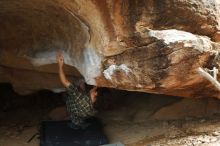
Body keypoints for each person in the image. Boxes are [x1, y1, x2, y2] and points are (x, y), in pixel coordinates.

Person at [56, 52, 98, 129]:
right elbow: (91, 93)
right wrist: (95, 87)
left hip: (70, 103)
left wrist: (60, 65)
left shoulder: (80, 98)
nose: (96, 93)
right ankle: (79, 124)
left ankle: (77, 124)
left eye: (95, 95)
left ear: (93, 99)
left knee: (67, 94)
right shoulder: (91, 110)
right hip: (78, 112)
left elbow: (65, 82)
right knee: (77, 117)